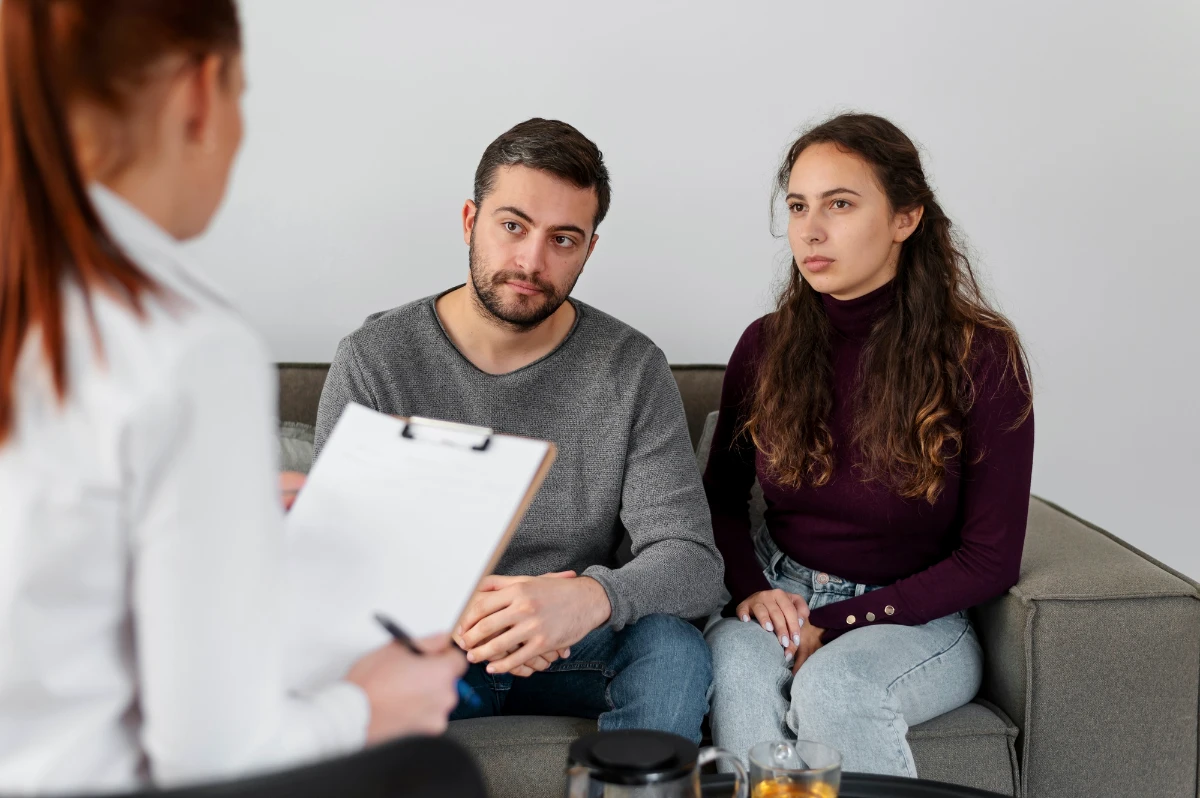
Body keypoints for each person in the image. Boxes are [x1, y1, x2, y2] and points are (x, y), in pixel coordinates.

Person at [0, 1, 465, 793]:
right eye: (243, 96)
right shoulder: (183, 346)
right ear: (199, 90)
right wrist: (371, 705)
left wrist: (221, 505)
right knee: (434, 770)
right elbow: (212, 757)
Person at [314, 118, 724, 743]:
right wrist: (465, 611)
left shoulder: (631, 368)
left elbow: (692, 561)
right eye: (513, 226)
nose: (532, 262)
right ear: (469, 221)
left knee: (673, 649)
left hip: (576, 644)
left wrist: (589, 599)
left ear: (589, 249)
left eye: (563, 239)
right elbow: (337, 557)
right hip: (432, 645)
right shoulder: (376, 358)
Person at [704, 113, 1035, 775]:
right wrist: (750, 590)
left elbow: (990, 560)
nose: (811, 229)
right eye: (798, 206)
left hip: (914, 615)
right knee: (737, 676)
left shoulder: (981, 356)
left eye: (840, 204)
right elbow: (718, 499)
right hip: (779, 588)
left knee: (835, 685)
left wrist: (848, 619)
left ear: (905, 217)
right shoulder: (765, 345)